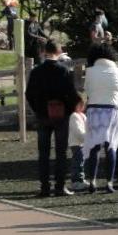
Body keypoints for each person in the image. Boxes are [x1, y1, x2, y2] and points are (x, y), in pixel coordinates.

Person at [25, 40, 79, 197]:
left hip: (43, 115)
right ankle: (60, 186)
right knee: (61, 152)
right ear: (59, 51)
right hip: (61, 114)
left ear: (44, 51)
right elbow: (71, 93)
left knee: (43, 153)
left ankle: (45, 187)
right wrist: (68, 110)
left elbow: (29, 94)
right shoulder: (63, 70)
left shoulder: (36, 71)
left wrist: (38, 110)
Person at [83, 41, 118, 193]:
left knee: (93, 147)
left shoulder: (90, 71)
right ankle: (109, 182)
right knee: (111, 146)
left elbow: (87, 90)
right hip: (112, 110)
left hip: (94, 110)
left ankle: (92, 181)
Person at [68, 93, 88, 191]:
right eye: (80, 104)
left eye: (83, 104)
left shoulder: (82, 116)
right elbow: (78, 131)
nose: (82, 106)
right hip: (76, 143)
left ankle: (81, 179)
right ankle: (76, 181)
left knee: (81, 162)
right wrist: (86, 138)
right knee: (78, 162)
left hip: (82, 144)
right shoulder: (74, 116)